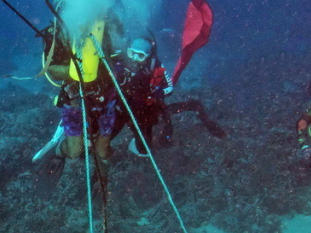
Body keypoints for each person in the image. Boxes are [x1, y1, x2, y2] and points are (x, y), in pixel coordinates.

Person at [109, 36, 226, 156]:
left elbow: (169, 87)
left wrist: (156, 92)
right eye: (131, 53)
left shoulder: (155, 67)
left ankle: (141, 143)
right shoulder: (120, 60)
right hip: (122, 106)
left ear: (148, 56)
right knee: (106, 135)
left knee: (145, 148)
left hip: (146, 108)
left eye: (140, 56)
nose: (134, 58)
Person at [40, 19, 118, 162]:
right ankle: (59, 149)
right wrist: (80, 71)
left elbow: (120, 57)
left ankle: (101, 157)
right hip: (74, 97)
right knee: (75, 152)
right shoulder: (55, 34)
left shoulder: (104, 27)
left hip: (105, 96)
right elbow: (52, 71)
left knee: (102, 152)